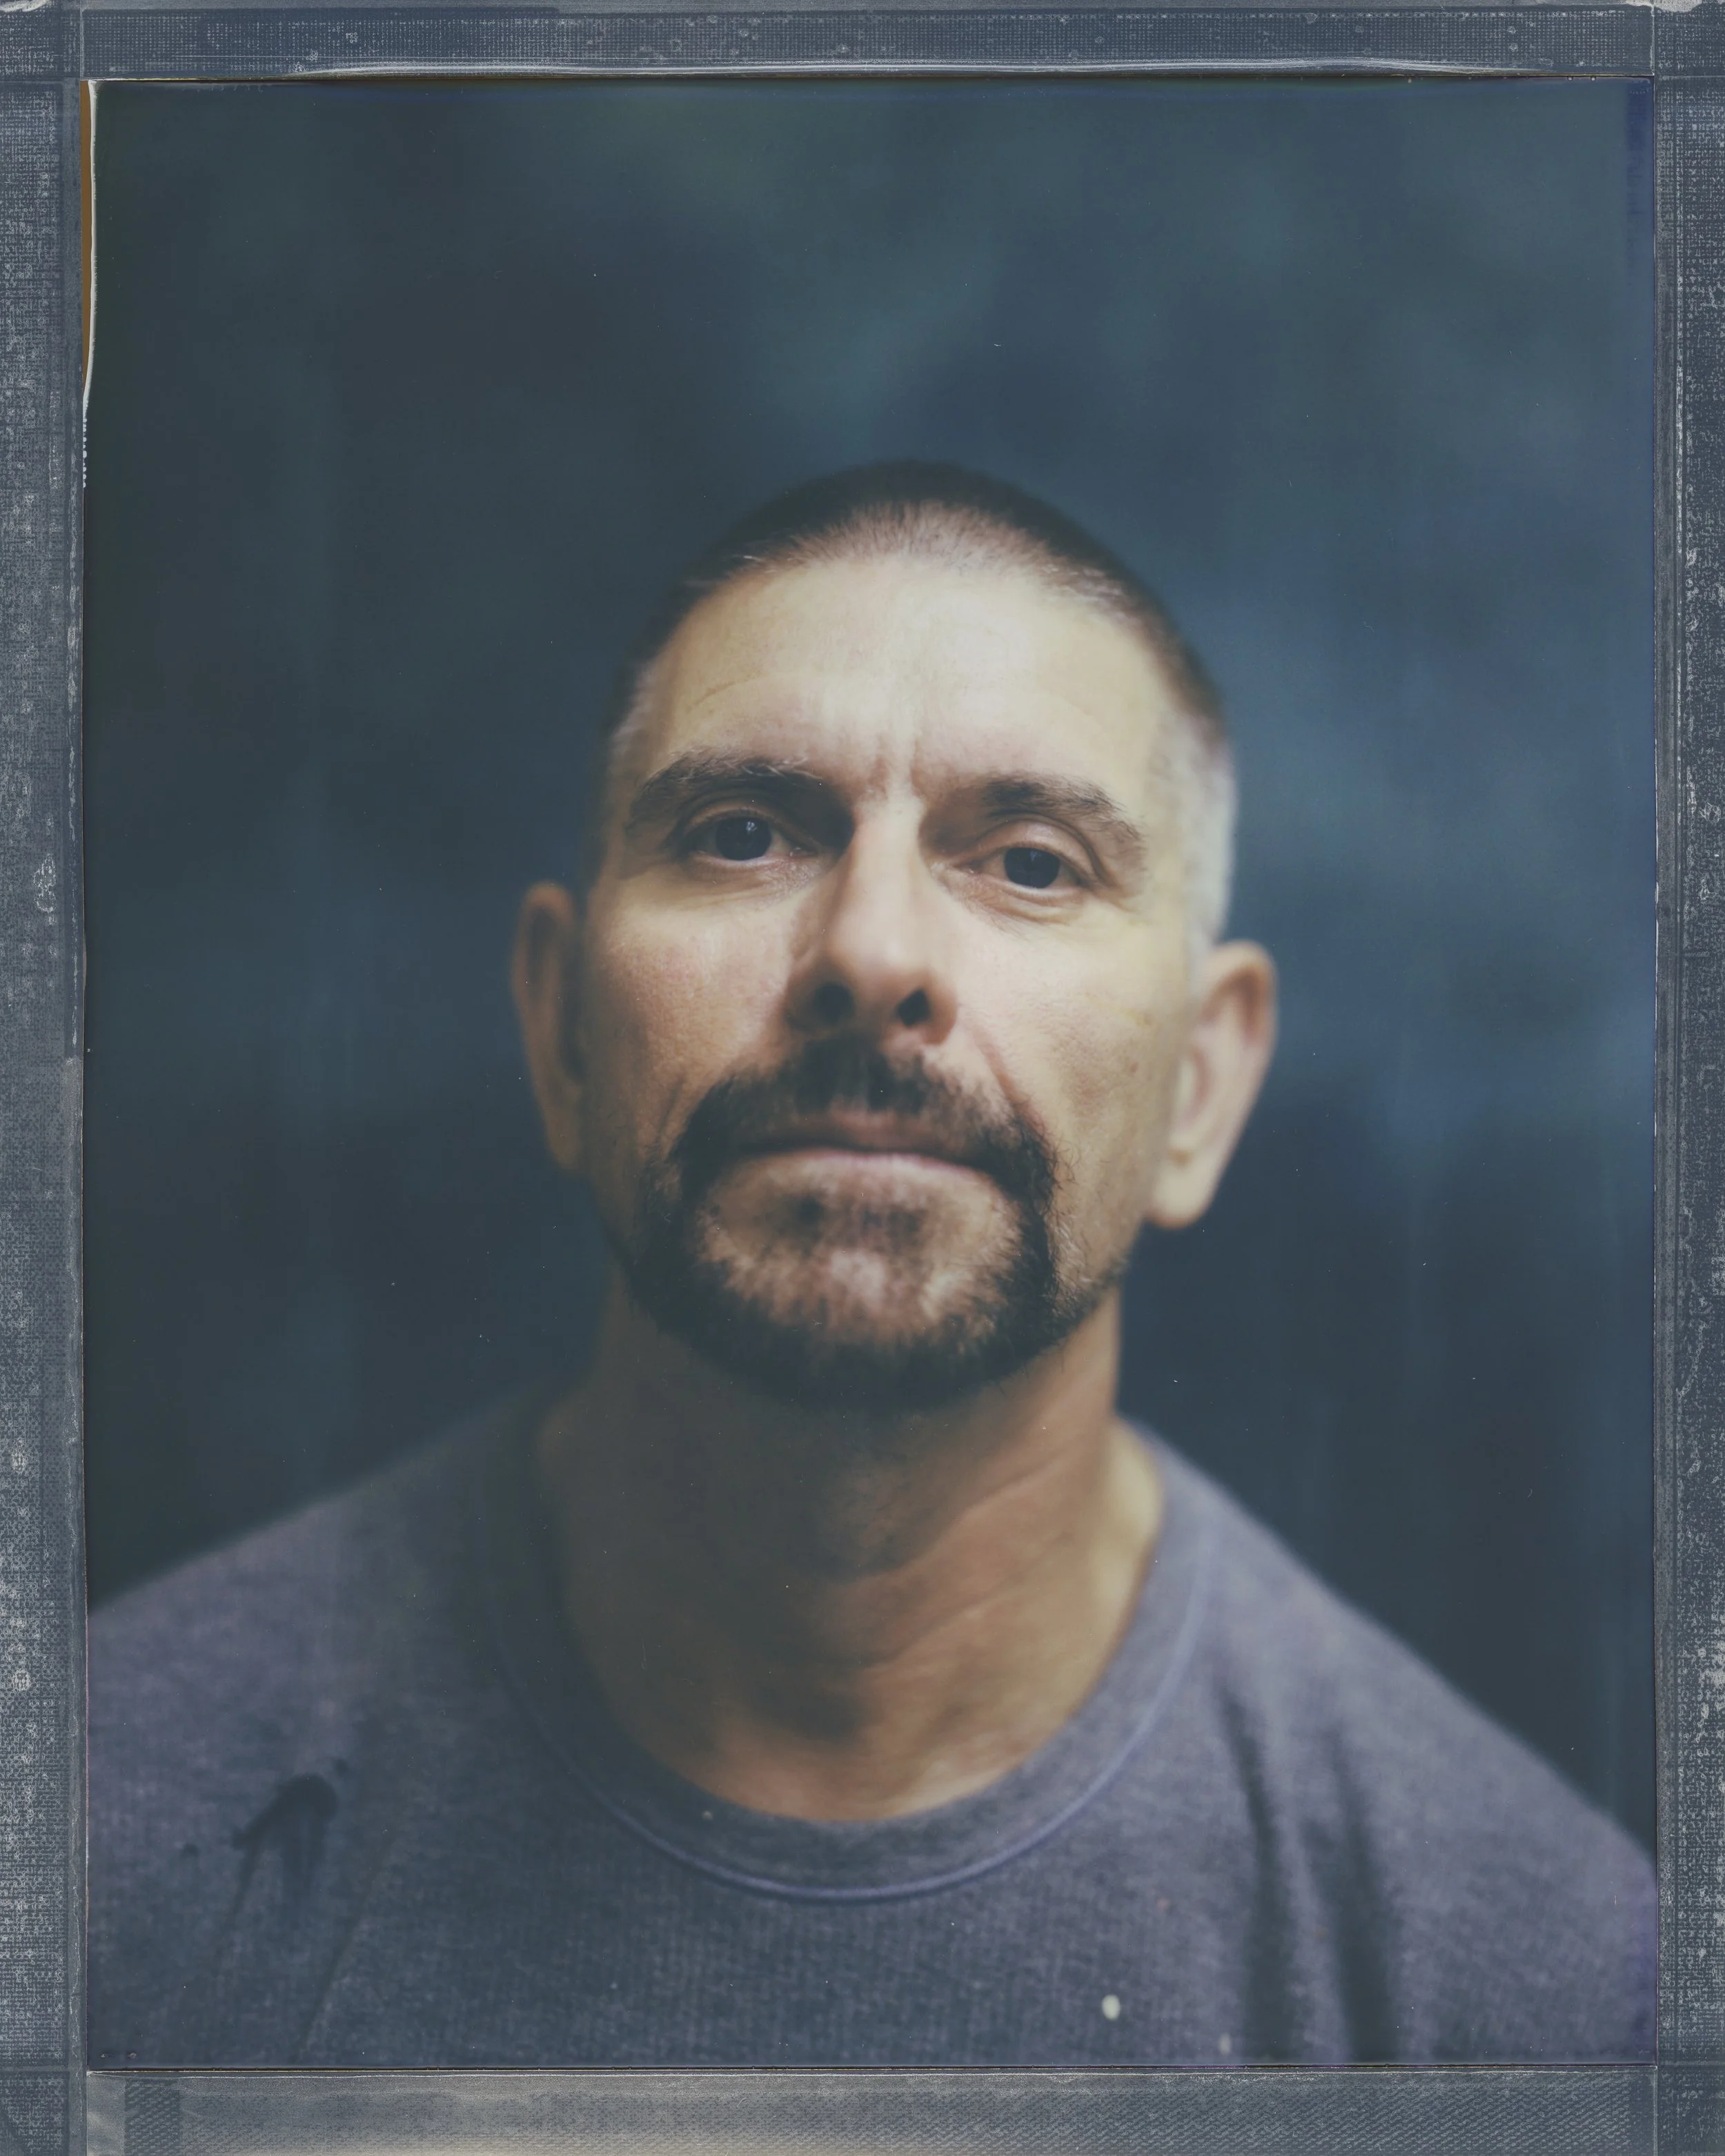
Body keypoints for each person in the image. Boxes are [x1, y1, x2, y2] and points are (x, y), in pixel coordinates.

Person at [88, 462, 1653, 2068]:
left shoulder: (1535, 1999)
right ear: (560, 1030)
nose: (869, 952)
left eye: (1031, 861)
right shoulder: (94, 1849)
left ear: (1198, 1083)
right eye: (744, 832)